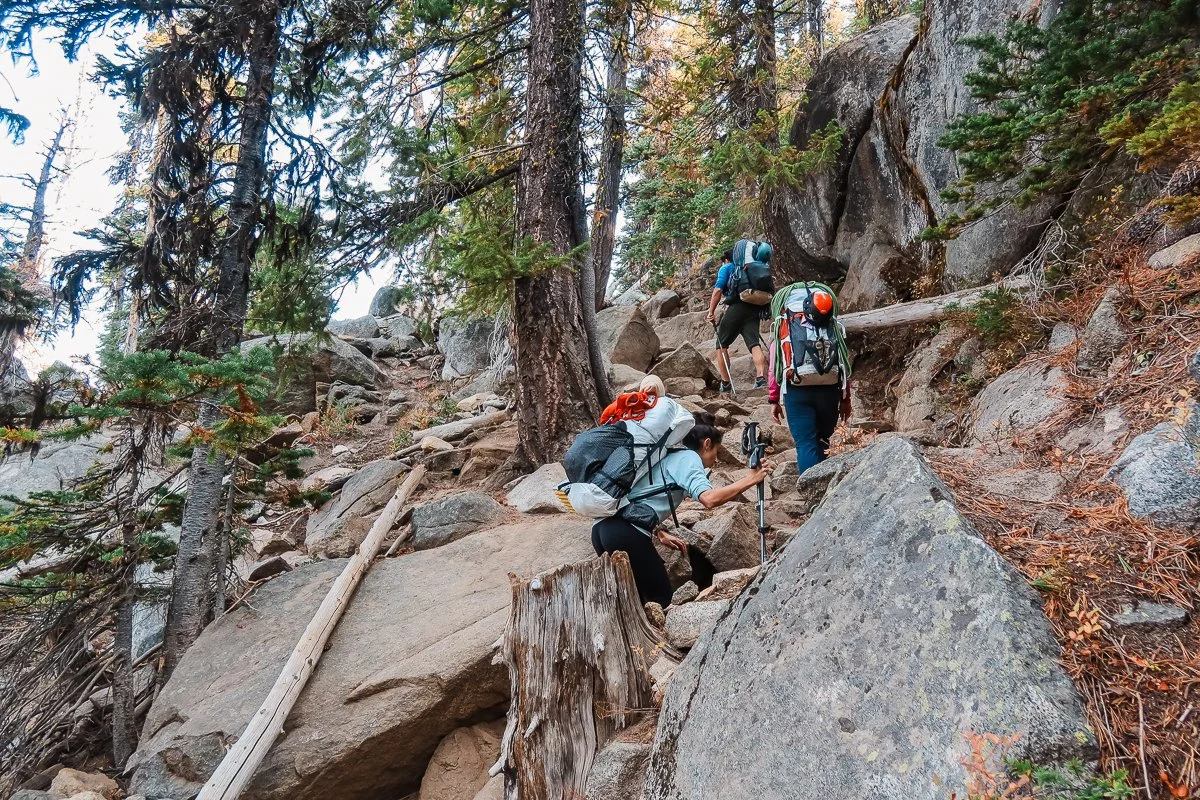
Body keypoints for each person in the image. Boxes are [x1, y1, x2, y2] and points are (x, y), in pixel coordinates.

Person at [591, 412, 774, 608]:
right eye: (716, 452)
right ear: (707, 444)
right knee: (661, 601)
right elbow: (709, 499)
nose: (716, 460)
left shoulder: (663, 456)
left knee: (633, 601)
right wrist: (750, 480)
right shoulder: (688, 459)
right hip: (626, 532)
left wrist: (657, 530)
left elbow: (641, 494)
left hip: (602, 529)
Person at [767, 288, 853, 474]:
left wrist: (774, 399)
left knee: (806, 443)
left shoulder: (786, 326)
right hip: (830, 391)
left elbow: (775, 367)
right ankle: (825, 488)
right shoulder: (835, 328)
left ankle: (811, 491)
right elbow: (844, 365)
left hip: (797, 391)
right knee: (823, 440)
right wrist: (846, 400)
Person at [707, 249, 769, 392]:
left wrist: (711, 311)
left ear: (727, 259)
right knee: (754, 343)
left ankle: (726, 383)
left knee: (721, 344)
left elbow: (717, 291)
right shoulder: (750, 268)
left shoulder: (727, 267)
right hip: (754, 307)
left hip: (737, 307)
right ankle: (760, 378)